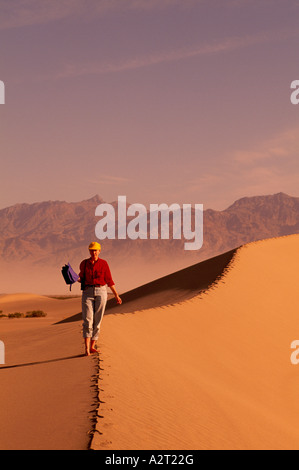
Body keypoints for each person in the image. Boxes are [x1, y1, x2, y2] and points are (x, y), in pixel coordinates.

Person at [78, 242, 122, 356]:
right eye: (91, 250)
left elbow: (109, 281)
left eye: (95, 250)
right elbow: (81, 278)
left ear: (99, 251)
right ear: (89, 251)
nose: (93, 252)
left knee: (97, 321)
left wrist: (116, 295)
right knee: (88, 320)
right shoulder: (84, 263)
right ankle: (86, 348)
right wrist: (72, 277)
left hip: (101, 292)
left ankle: (92, 346)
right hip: (87, 292)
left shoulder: (104, 263)